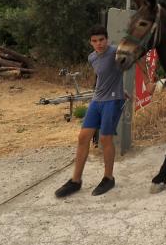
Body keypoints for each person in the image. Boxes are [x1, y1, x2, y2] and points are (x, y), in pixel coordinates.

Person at [54, 26, 126, 198]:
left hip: (112, 100)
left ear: (107, 39)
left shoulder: (116, 51)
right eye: (94, 41)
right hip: (97, 100)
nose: (98, 43)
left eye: (101, 40)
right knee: (83, 137)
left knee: (105, 138)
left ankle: (108, 178)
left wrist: (146, 80)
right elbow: (102, 76)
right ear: (90, 42)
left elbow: (136, 57)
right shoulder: (92, 57)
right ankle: (75, 181)